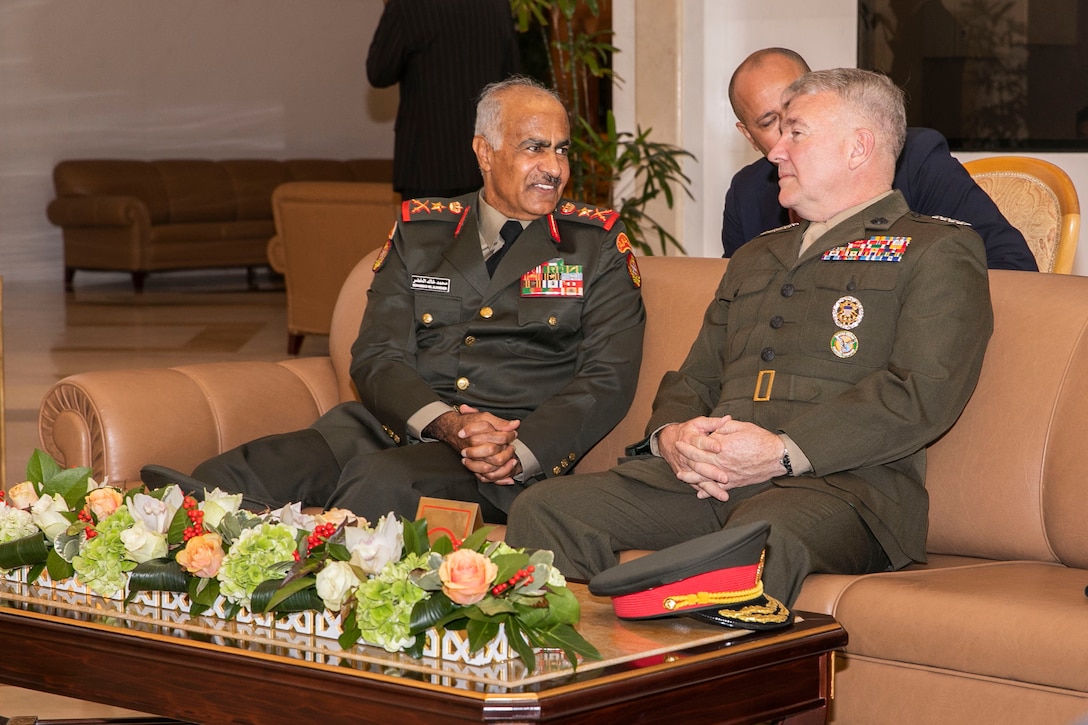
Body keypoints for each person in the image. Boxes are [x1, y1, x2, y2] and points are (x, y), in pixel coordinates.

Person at [506, 68, 994, 608]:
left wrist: (784, 453)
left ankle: (701, 685)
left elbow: (920, 392)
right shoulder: (757, 254)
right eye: (777, 133)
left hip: (839, 488)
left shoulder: (935, 250)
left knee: (755, 544)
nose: (775, 152)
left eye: (796, 133)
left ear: (859, 147)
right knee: (546, 508)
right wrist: (672, 435)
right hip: (709, 483)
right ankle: (589, 680)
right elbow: (696, 374)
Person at [142, 77, 646, 525]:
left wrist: (518, 453)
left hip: (496, 459)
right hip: (391, 428)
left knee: (379, 487)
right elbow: (378, 356)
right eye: (534, 148)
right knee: (225, 478)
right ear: (484, 152)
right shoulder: (422, 231)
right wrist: (446, 423)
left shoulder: (595, 244)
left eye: (561, 150)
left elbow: (607, 379)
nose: (553, 168)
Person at [721, 48, 1038, 271]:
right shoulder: (746, 194)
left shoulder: (914, 158)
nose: (786, 133)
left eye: (798, 111)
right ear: (748, 136)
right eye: (769, 123)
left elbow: (1010, 266)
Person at [367, 0, 519, 200]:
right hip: (483, 159)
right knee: (479, 231)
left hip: (425, 163)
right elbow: (512, 78)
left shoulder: (406, 6)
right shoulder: (496, 4)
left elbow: (379, 72)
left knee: (426, 231)